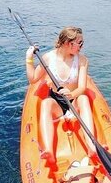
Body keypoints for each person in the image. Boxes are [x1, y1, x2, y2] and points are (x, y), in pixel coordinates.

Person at [25, 27, 96, 166]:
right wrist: (29, 58)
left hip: (74, 100)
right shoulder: (48, 58)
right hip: (56, 102)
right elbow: (33, 79)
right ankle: (49, 151)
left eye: (82, 43)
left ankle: (91, 146)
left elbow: (82, 88)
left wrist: (71, 94)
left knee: (84, 98)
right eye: (79, 43)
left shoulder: (82, 60)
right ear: (67, 43)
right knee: (46, 103)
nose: (81, 46)